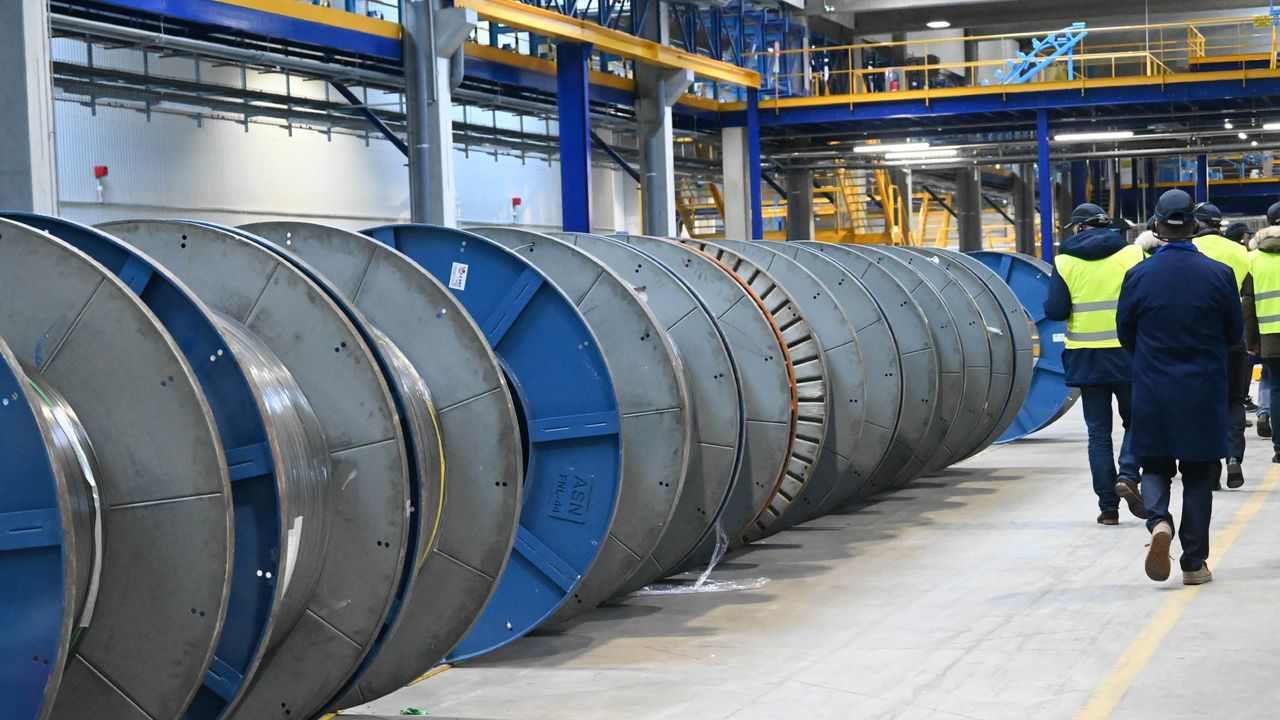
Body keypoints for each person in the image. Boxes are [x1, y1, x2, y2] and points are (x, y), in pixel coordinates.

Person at [1117, 189, 1243, 585]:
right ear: (1194, 225)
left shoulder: (1138, 275)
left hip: (1154, 386)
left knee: (1154, 463)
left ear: (1156, 226)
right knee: (1198, 475)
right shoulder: (1219, 273)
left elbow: (1126, 333)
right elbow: (1233, 334)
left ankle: (1158, 522)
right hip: (1203, 389)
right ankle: (1193, 563)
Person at [1044, 203, 1145, 525]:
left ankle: (1108, 508)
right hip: (1127, 353)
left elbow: (1056, 310)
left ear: (1078, 228)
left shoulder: (1064, 261)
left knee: (1098, 434)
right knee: (1137, 422)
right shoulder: (1132, 255)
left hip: (1087, 357)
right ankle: (1128, 473)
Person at [1191, 202, 1253, 489]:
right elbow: (1248, 296)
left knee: (1203, 402)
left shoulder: (1191, 251)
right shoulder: (1242, 252)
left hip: (1199, 340)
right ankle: (1234, 458)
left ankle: (1210, 469)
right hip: (1233, 337)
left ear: (1197, 224)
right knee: (1234, 400)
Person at [1246, 201, 1280, 463]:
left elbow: (1249, 303)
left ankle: (1279, 448)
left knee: (1276, 387)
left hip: (1270, 335)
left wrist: (1252, 339)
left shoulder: (1253, 258)